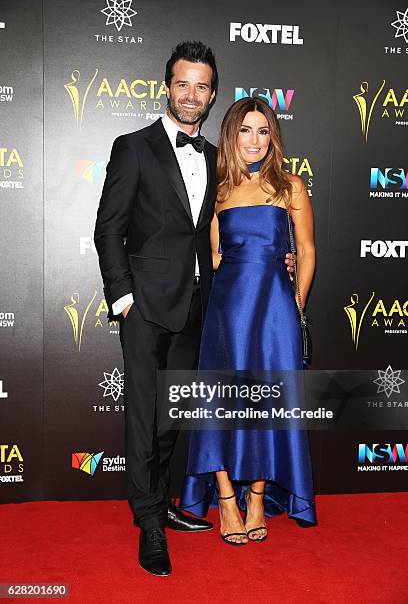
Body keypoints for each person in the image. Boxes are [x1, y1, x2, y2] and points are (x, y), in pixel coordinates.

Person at [95, 42, 295, 576]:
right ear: (167, 88)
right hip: (142, 306)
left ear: (212, 95)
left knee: (170, 417)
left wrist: (281, 258)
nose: (191, 95)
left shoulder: (215, 158)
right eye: (182, 84)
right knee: (142, 417)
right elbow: (108, 228)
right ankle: (149, 525)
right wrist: (123, 297)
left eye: (202, 87)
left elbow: (229, 230)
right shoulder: (133, 147)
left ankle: (162, 503)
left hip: (197, 309)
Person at [180, 96, 317, 545]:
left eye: (263, 131)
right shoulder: (217, 190)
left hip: (276, 309)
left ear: (272, 137)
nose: (254, 140)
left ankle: (256, 496)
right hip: (228, 309)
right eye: (245, 130)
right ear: (231, 135)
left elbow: (308, 251)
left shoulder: (291, 186)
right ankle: (224, 497)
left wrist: (295, 303)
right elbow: (215, 257)